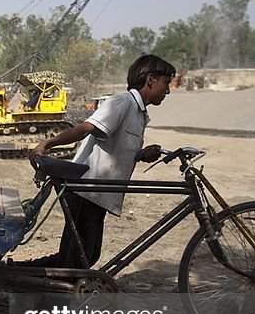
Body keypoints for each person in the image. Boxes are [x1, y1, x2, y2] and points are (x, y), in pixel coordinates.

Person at [29, 54, 175, 268]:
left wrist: (141, 154)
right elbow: (86, 128)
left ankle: (27, 273)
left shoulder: (139, 113)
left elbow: (116, 148)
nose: (168, 90)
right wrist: (46, 144)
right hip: (86, 190)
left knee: (85, 257)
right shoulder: (122, 103)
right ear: (151, 79)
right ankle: (38, 288)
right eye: (166, 83)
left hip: (99, 192)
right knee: (75, 261)